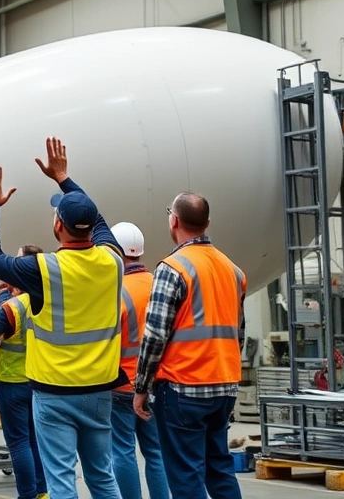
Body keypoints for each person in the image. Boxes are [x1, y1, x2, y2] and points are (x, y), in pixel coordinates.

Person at [0, 136, 126, 499]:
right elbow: (99, 217)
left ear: (58, 225)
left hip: (54, 393)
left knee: (60, 481)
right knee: (102, 477)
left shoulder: (43, 270)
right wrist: (64, 178)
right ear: (90, 228)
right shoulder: (113, 260)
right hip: (98, 390)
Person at [133, 192, 246, 499]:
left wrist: (141, 387)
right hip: (223, 385)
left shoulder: (173, 268)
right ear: (207, 223)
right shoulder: (233, 271)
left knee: (186, 477)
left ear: (174, 221)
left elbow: (155, 335)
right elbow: (239, 333)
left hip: (183, 388)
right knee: (219, 468)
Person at [0, 244, 48, 499]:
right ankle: (42, 492)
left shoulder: (12, 308)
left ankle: (27, 494)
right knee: (34, 441)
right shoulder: (46, 299)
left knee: (18, 443)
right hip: (39, 381)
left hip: (12, 384)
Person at [106, 223, 169, 499]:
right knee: (156, 452)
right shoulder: (160, 283)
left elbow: (107, 341)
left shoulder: (115, 291)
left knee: (122, 451)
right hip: (158, 382)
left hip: (123, 385)